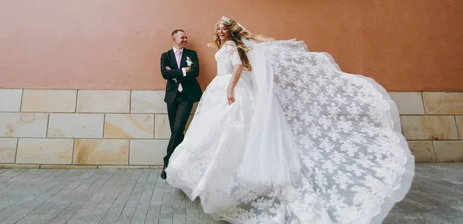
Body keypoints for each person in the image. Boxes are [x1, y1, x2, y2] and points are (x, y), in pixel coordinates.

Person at [165, 17, 415, 224]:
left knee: (231, 131)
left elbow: (240, 66)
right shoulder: (223, 46)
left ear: (230, 31)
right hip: (218, 90)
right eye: (218, 28)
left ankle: (229, 180)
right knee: (213, 132)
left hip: (229, 89)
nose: (220, 31)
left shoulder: (231, 47)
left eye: (224, 28)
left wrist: (231, 87)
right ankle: (213, 178)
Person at [160, 29, 202, 180]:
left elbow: (195, 72)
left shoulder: (192, 54)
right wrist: (183, 70)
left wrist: (175, 73)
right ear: (174, 39)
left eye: (186, 37)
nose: (185, 39)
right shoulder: (166, 56)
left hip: (186, 97)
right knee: (175, 132)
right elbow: (164, 74)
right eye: (182, 37)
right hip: (172, 97)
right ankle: (180, 165)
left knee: (178, 128)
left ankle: (167, 163)